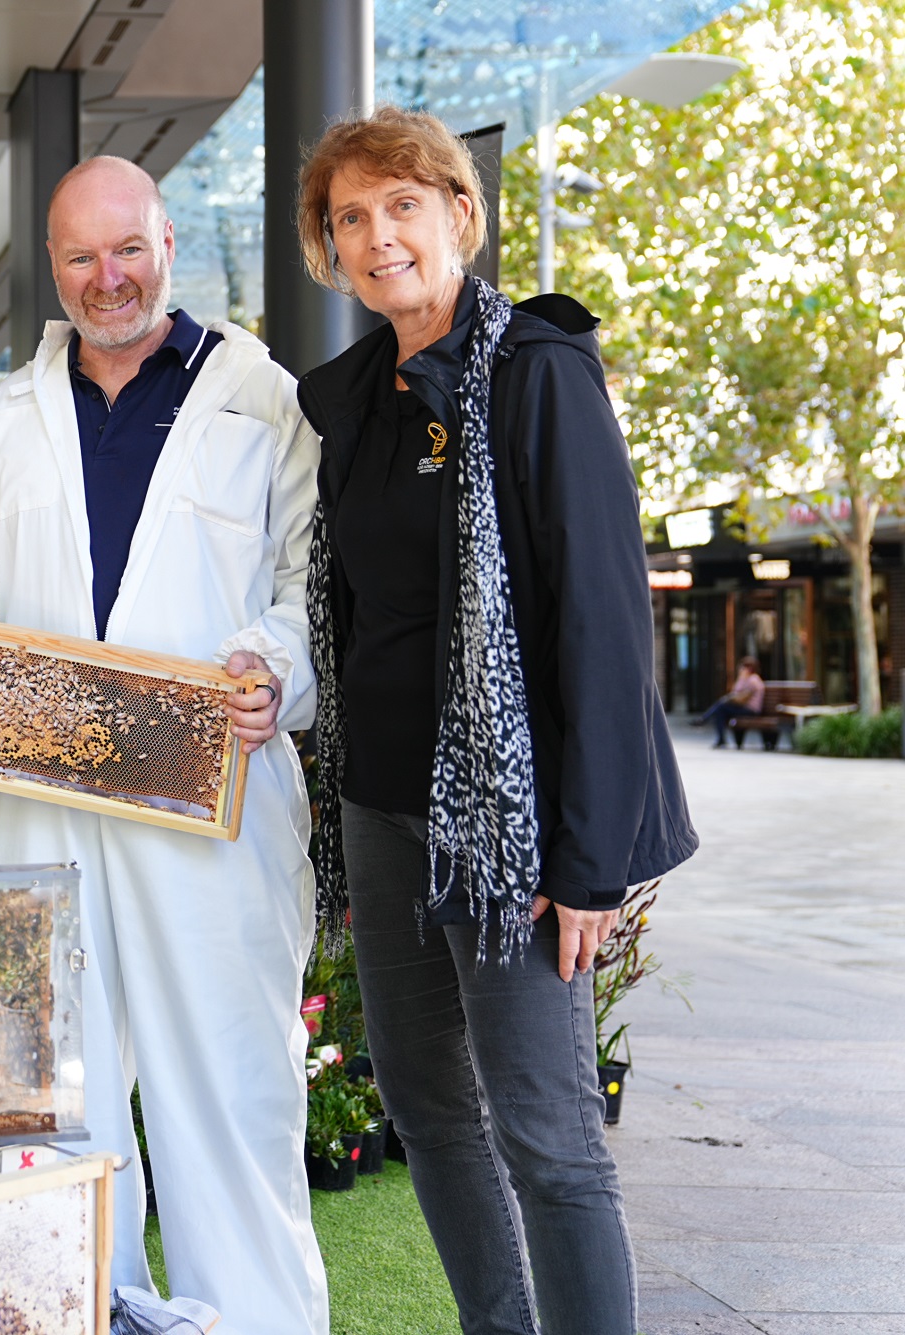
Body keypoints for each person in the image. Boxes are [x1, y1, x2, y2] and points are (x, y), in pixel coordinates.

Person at [0, 156, 327, 1330]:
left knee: (228, 1086)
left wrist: (274, 672)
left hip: (212, 799)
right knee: (64, 1081)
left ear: (169, 242)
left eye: (126, 249)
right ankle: (89, 1307)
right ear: (53, 266)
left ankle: (250, 1319)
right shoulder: (6, 411)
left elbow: (310, 585)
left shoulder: (259, 397)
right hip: (47, 796)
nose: (107, 278)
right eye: (81, 257)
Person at [293, 107, 697, 1335]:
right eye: (349, 217)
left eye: (401, 205)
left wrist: (586, 864)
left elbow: (604, 630)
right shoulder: (354, 399)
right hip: (384, 812)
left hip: (512, 836)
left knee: (548, 1134)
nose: (378, 236)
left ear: (458, 213)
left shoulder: (535, 371)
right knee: (425, 1112)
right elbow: (349, 616)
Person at [698, 656, 765, 748]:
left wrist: (730, 698)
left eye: (743, 667)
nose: (741, 669)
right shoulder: (744, 679)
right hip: (742, 708)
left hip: (750, 710)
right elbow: (735, 691)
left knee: (721, 706)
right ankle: (720, 737)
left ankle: (705, 719)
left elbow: (742, 699)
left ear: (749, 669)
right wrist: (741, 679)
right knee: (720, 711)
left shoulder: (753, 680)